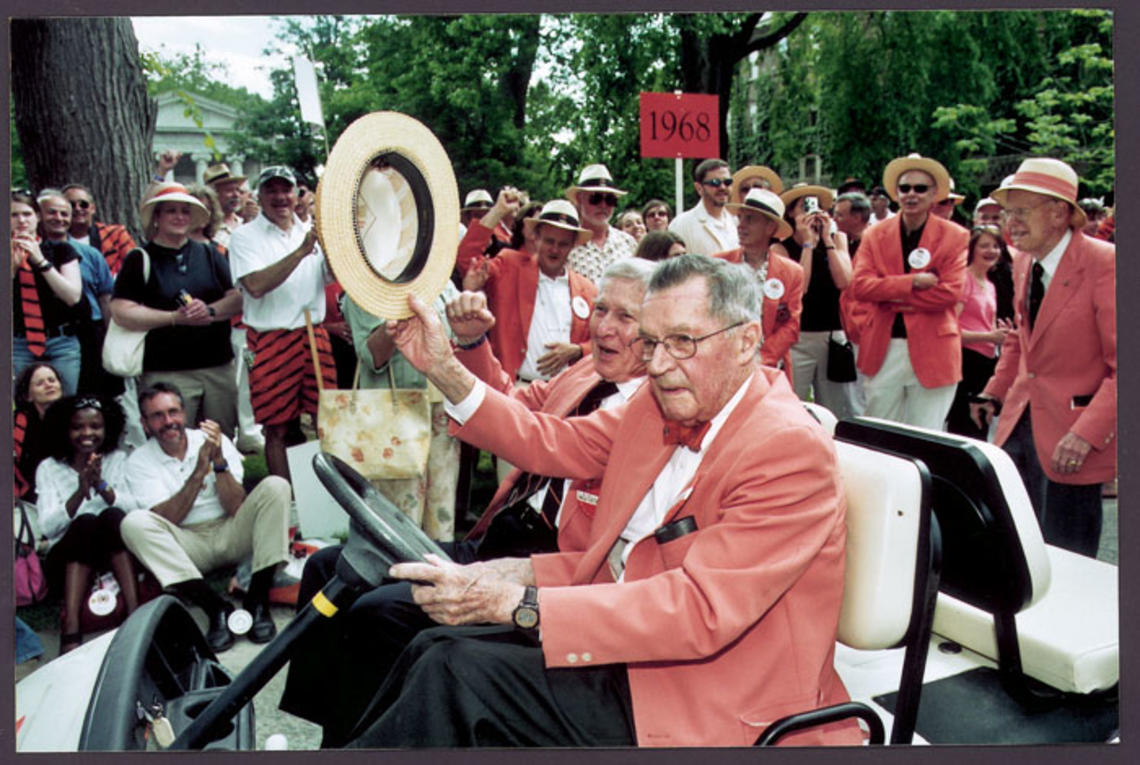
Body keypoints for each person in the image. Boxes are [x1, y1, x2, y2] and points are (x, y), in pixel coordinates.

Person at [340, 253, 857, 748]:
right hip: (637, 653)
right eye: (651, 342)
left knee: (455, 675)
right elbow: (553, 445)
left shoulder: (789, 448)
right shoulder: (661, 405)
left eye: (682, 341)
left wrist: (516, 602)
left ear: (746, 342)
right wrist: (512, 574)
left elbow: (697, 609)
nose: (657, 364)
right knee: (436, 648)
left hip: (714, 698)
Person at [279, 259, 655, 745]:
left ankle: (363, 742)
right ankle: (337, 731)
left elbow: (545, 440)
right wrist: (473, 343)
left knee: (379, 611)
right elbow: (511, 401)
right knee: (328, 568)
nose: (604, 327)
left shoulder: (652, 405)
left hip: (552, 568)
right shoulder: (588, 371)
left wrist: (442, 365)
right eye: (600, 308)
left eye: (625, 317)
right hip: (500, 539)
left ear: (657, 329)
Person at [970, 158, 1115, 558]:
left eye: (1021, 211)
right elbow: (1021, 339)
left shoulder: (1106, 264)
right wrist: (993, 392)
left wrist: (1086, 433)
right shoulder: (1023, 262)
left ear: (1059, 213)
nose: (1010, 222)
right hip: (1021, 425)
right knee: (1022, 550)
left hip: (1073, 436)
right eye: (1007, 212)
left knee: (1068, 557)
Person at [120, 382, 292, 651]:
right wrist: (200, 471)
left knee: (276, 486)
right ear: (144, 423)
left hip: (230, 530)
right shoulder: (139, 461)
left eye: (173, 412)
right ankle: (215, 608)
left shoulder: (214, 440)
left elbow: (236, 506)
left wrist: (219, 463)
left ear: (184, 414)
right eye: (157, 415)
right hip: (187, 543)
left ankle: (257, 601)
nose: (168, 421)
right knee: (134, 523)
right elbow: (169, 518)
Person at [226, 165, 336, 481]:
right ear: (259, 196)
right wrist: (302, 252)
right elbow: (256, 285)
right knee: (276, 426)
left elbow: (335, 276)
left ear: (297, 194)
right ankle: (284, 499)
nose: (280, 197)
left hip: (314, 335)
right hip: (270, 337)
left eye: (286, 190)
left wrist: (337, 245)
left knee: (325, 421)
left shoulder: (312, 231)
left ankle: (326, 500)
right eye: (271, 190)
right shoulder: (244, 237)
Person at [110, 183, 243, 438]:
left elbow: (236, 298)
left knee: (220, 440)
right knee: (172, 441)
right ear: (157, 217)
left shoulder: (210, 253)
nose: (179, 217)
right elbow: (121, 310)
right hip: (166, 370)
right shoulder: (140, 258)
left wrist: (210, 312)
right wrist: (173, 318)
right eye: (171, 211)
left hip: (217, 367)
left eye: (185, 211)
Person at [850, 153, 969, 430]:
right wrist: (912, 283)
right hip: (884, 345)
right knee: (879, 434)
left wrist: (888, 295)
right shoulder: (874, 234)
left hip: (934, 348)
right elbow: (859, 287)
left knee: (927, 435)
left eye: (920, 188)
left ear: (934, 194)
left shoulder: (955, 236)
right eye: (905, 188)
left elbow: (949, 294)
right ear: (896, 193)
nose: (911, 194)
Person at [341, 283, 463, 542]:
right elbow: (369, 357)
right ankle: (395, 577)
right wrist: (391, 330)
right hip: (394, 413)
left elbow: (457, 337)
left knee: (441, 505)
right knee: (398, 513)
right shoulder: (364, 287)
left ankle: (439, 574)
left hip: (441, 408)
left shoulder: (440, 281)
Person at [35, 394, 139, 653]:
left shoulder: (117, 459)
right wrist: (81, 491)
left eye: (95, 426)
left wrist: (103, 486)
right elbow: (48, 528)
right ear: (64, 430)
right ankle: (71, 625)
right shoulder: (48, 468)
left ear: (108, 428)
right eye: (77, 427)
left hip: (111, 552)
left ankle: (136, 615)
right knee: (85, 522)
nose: (87, 433)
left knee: (112, 516)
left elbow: (134, 511)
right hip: (68, 559)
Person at [459, 194, 597, 383]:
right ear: (536, 237)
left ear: (574, 245)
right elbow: (466, 259)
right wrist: (498, 211)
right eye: (549, 241)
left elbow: (601, 342)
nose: (555, 250)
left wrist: (578, 350)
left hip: (564, 395)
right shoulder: (509, 265)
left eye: (563, 244)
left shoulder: (587, 290)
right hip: (516, 388)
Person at [779, 184, 858, 419]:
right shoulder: (781, 246)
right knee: (795, 404)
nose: (811, 212)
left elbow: (844, 281)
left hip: (832, 336)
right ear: (791, 212)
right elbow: (799, 287)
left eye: (814, 206)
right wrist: (807, 245)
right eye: (804, 207)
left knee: (833, 409)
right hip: (799, 337)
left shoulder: (836, 239)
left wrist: (827, 240)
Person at [716, 187, 802, 382]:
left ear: (771, 228)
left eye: (750, 220)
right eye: (741, 218)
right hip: (726, 363)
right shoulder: (718, 265)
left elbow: (791, 326)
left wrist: (761, 359)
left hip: (769, 368)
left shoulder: (792, 272)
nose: (741, 225)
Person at [37, 189, 116, 398]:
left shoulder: (90, 255)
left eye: (64, 214)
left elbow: (105, 299)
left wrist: (110, 340)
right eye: (51, 213)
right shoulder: (30, 252)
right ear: (39, 215)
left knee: (90, 397)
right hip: (43, 335)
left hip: (90, 333)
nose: (59, 219)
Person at [12, 191, 85, 395]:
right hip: (19, 344)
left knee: (64, 406)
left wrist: (41, 262)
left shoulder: (61, 250)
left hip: (61, 343)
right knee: (24, 406)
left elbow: (72, 296)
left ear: (37, 217)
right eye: (14, 215)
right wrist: (12, 270)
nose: (21, 221)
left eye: (27, 214)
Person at [945, 226, 1013, 438]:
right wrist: (989, 337)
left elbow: (986, 325)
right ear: (971, 249)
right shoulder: (964, 280)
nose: (991, 251)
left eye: (995, 246)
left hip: (986, 363)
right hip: (966, 363)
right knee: (965, 427)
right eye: (984, 245)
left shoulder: (990, 284)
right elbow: (950, 330)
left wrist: (1002, 333)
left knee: (982, 427)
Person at [565, 164, 638, 283]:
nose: (603, 205)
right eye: (595, 198)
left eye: (610, 200)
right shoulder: (566, 245)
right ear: (579, 199)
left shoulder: (628, 243)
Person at [61, 183, 138, 277]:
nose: (77, 208)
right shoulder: (58, 241)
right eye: (71, 205)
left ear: (93, 208)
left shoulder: (115, 234)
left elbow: (136, 265)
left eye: (83, 204)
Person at [14, 362, 65, 501]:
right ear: (28, 396)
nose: (48, 385)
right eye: (40, 383)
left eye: (52, 380)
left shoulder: (76, 417)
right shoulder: (18, 422)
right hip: (32, 492)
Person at [668, 158, 738, 256]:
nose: (722, 187)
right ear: (699, 188)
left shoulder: (736, 223)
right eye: (715, 183)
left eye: (727, 182)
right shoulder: (682, 224)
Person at [202, 162, 247, 247]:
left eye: (238, 190)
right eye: (229, 190)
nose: (236, 195)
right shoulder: (206, 228)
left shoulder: (244, 222)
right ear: (213, 194)